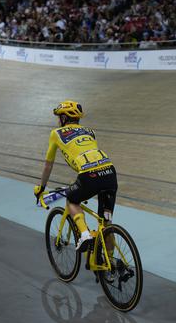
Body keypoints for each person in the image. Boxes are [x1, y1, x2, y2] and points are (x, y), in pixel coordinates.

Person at [34, 100, 117, 252]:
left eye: (59, 117)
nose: (58, 120)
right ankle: (111, 269)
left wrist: (42, 187)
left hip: (89, 175)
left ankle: (85, 235)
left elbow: (48, 165)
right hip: (110, 173)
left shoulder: (56, 133)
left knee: (72, 199)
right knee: (106, 224)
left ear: (64, 118)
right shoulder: (90, 131)